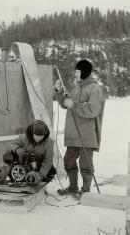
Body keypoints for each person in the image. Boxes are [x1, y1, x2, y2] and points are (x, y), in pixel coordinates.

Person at [54, 59, 105, 197]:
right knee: (69, 161)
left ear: (84, 72)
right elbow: (66, 104)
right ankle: (73, 187)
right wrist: (60, 93)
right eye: (75, 71)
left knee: (85, 164)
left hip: (86, 135)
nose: (75, 74)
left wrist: (74, 104)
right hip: (73, 133)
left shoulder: (94, 88)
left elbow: (93, 110)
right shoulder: (76, 88)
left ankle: (86, 190)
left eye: (78, 71)